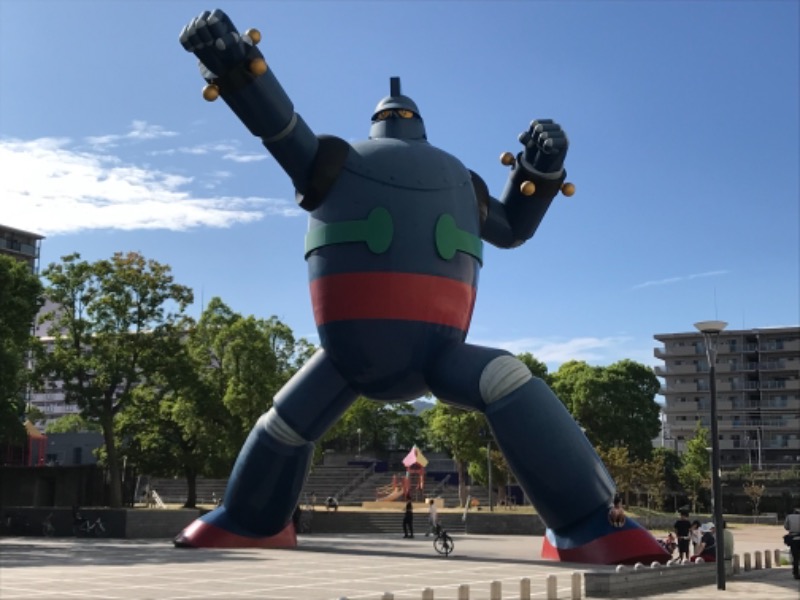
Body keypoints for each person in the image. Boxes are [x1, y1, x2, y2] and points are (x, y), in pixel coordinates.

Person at [784, 507, 800, 580]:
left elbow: (786, 527)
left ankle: (796, 573)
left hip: (793, 537)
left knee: (795, 557)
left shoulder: (789, 517)